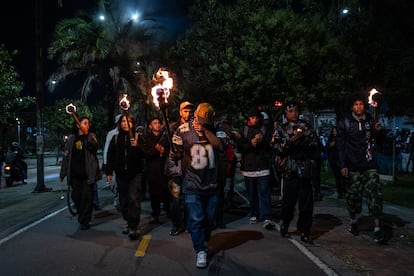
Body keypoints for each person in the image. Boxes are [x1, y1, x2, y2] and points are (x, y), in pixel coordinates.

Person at [167, 102, 223, 269]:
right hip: (192, 183)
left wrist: (205, 130)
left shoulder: (216, 128)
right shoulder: (183, 130)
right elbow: (176, 152)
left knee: (210, 219)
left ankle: (203, 239)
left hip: (212, 184)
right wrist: (174, 154)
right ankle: (200, 250)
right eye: (201, 118)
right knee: (196, 218)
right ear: (196, 115)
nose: (203, 120)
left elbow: (220, 146)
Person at [336, 94, 386, 243]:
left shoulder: (371, 120)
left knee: (375, 194)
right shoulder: (344, 122)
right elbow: (340, 146)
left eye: (361, 104)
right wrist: (342, 164)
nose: (359, 107)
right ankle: (353, 221)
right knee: (353, 197)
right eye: (356, 104)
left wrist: (378, 132)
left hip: (369, 163)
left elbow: (379, 141)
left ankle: (377, 228)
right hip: (352, 165)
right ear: (352, 107)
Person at [273, 101, 319, 244]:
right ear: (286, 113)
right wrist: (291, 141)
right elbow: (277, 148)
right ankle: (285, 223)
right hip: (289, 170)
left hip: (304, 170)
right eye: (290, 111)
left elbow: (314, 145)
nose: (294, 113)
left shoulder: (306, 126)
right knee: (288, 203)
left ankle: (305, 231)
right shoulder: (281, 128)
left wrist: (302, 140)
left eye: (296, 110)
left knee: (306, 204)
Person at [105, 113, 146, 240]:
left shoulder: (138, 137)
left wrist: (137, 146)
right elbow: (110, 156)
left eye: (128, 121)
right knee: (123, 201)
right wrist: (109, 172)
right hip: (121, 175)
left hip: (135, 174)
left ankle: (133, 226)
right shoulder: (115, 138)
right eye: (123, 121)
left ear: (132, 123)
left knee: (133, 199)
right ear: (119, 124)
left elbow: (145, 153)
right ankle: (128, 222)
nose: (125, 123)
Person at [237, 106, 275, 230]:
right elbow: (240, 148)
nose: (255, 120)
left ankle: (266, 216)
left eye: (257, 118)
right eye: (253, 118)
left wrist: (263, 141)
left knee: (264, 192)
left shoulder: (265, 129)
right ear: (249, 118)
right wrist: (251, 143)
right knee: (252, 193)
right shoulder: (244, 130)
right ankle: (254, 213)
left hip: (263, 166)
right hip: (249, 168)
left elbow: (270, 146)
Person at [60, 117, 100, 230]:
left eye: (88, 123)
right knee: (76, 197)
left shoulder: (91, 137)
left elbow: (94, 148)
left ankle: (84, 220)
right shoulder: (72, 139)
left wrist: (87, 136)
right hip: (75, 175)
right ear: (78, 125)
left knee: (87, 197)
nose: (87, 125)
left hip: (88, 174)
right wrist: (63, 173)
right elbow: (66, 156)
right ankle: (82, 215)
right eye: (84, 123)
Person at [165, 101, 195, 236]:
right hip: (174, 170)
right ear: (180, 112)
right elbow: (162, 145)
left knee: (190, 198)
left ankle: (190, 224)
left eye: (190, 111)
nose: (187, 113)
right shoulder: (171, 127)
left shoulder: (194, 127)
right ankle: (177, 224)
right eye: (185, 111)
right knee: (175, 199)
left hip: (189, 169)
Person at [142, 117, 170, 224]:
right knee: (154, 193)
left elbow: (170, 149)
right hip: (153, 168)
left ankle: (168, 210)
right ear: (150, 126)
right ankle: (155, 214)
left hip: (165, 167)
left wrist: (164, 151)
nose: (157, 125)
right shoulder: (147, 138)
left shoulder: (165, 137)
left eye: (159, 123)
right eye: (155, 123)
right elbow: (146, 152)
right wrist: (156, 150)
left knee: (166, 191)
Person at [103, 114, 121, 208]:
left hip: (123, 163)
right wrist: (106, 163)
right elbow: (107, 148)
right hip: (113, 163)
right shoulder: (111, 134)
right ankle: (116, 195)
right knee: (113, 183)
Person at [327, 127, 346, 199]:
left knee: (344, 178)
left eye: (336, 131)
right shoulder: (331, 139)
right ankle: (340, 193)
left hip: (342, 161)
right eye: (334, 131)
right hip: (334, 161)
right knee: (338, 178)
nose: (335, 133)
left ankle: (345, 191)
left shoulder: (342, 139)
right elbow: (327, 147)